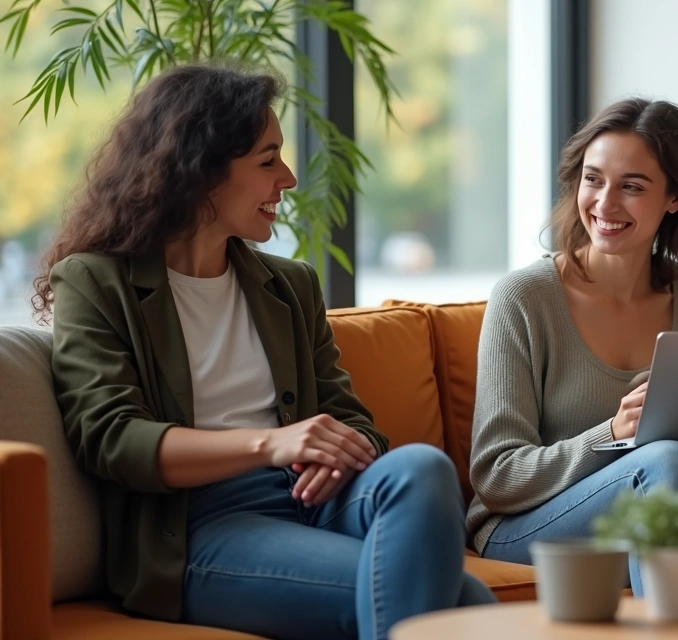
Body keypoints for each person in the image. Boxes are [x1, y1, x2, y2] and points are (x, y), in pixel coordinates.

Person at [35, 64, 493, 640]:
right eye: (268, 159)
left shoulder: (289, 285)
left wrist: (335, 452)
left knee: (422, 465)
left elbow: (353, 422)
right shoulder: (96, 282)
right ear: (201, 170)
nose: (291, 178)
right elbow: (111, 439)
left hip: (316, 498)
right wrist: (269, 444)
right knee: (465, 596)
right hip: (200, 525)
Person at [467, 98, 678, 595]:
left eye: (632, 187)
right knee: (666, 461)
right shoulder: (524, 299)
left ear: (674, 199)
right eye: (593, 179)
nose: (605, 203)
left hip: (664, 502)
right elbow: (497, 476)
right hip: (526, 527)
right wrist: (611, 435)